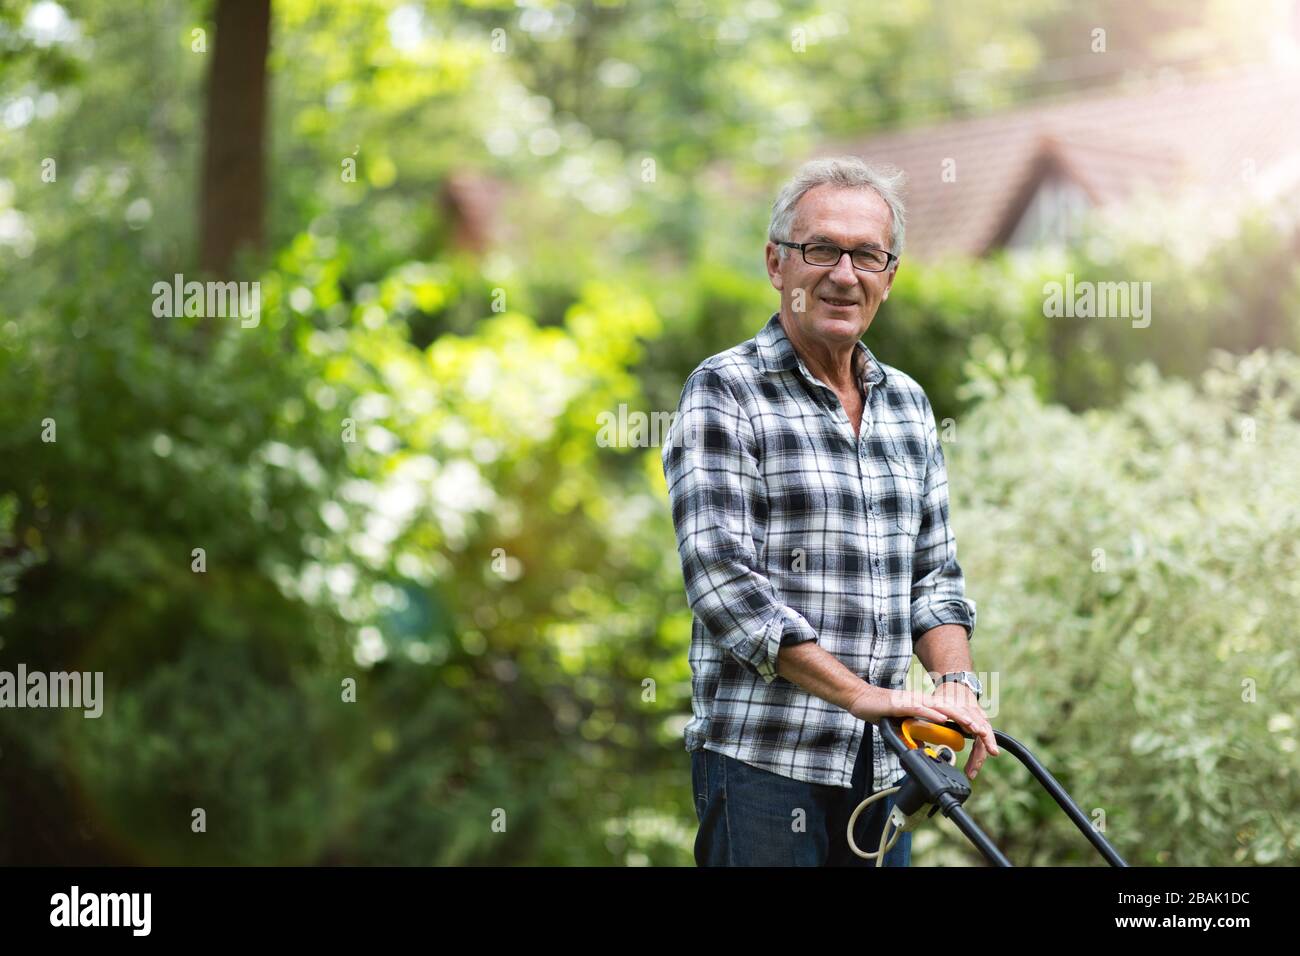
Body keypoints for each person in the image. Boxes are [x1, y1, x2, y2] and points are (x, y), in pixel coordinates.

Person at [662, 156, 999, 867]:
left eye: (867, 254)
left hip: (880, 772)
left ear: (890, 275)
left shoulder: (907, 404)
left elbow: (933, 578)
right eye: (822, 249)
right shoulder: (725, 391)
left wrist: (955, 685)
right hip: (760, 765)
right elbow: (725, 588)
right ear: (777, 263)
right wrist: (864, 696)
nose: (844, 274)